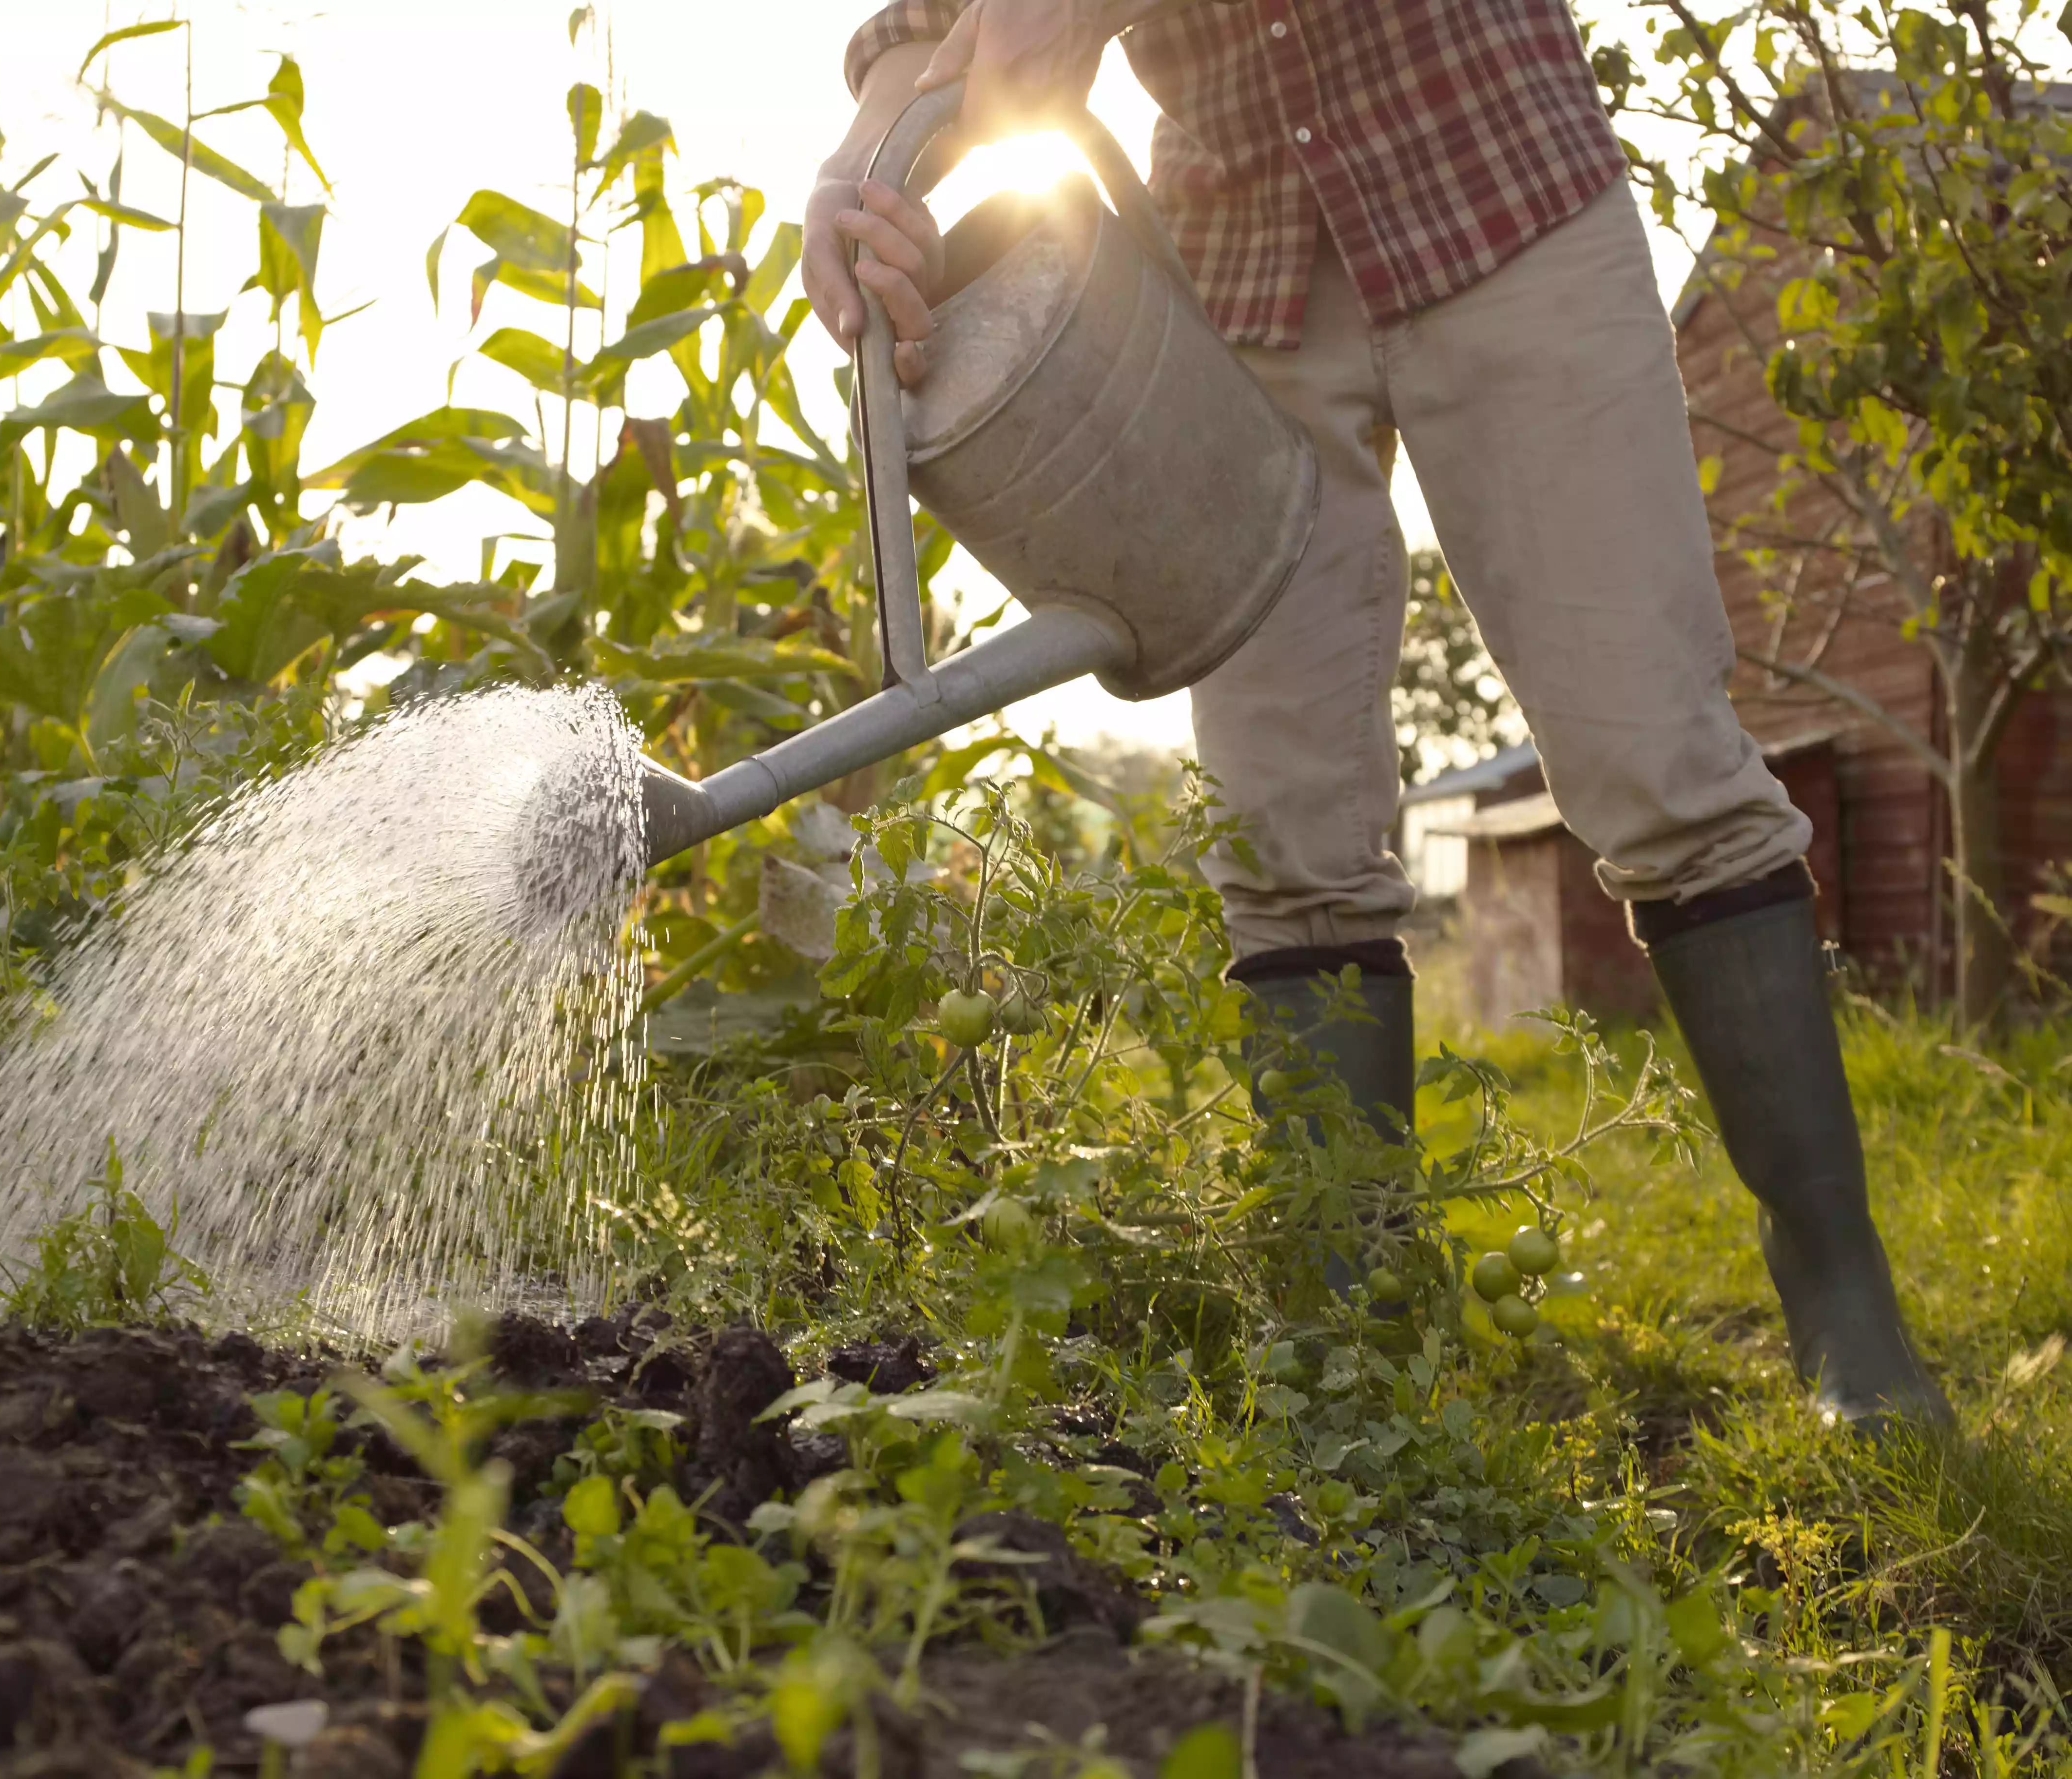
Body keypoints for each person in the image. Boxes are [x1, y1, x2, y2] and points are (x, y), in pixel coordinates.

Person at [803, 0, 1950, 1427]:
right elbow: (939, 28)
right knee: (1282, 836)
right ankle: (1351, 1352)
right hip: (1234, 271)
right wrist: (865, 163)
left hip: (1497, 202)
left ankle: (1840, 1301)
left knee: (1654, 760)